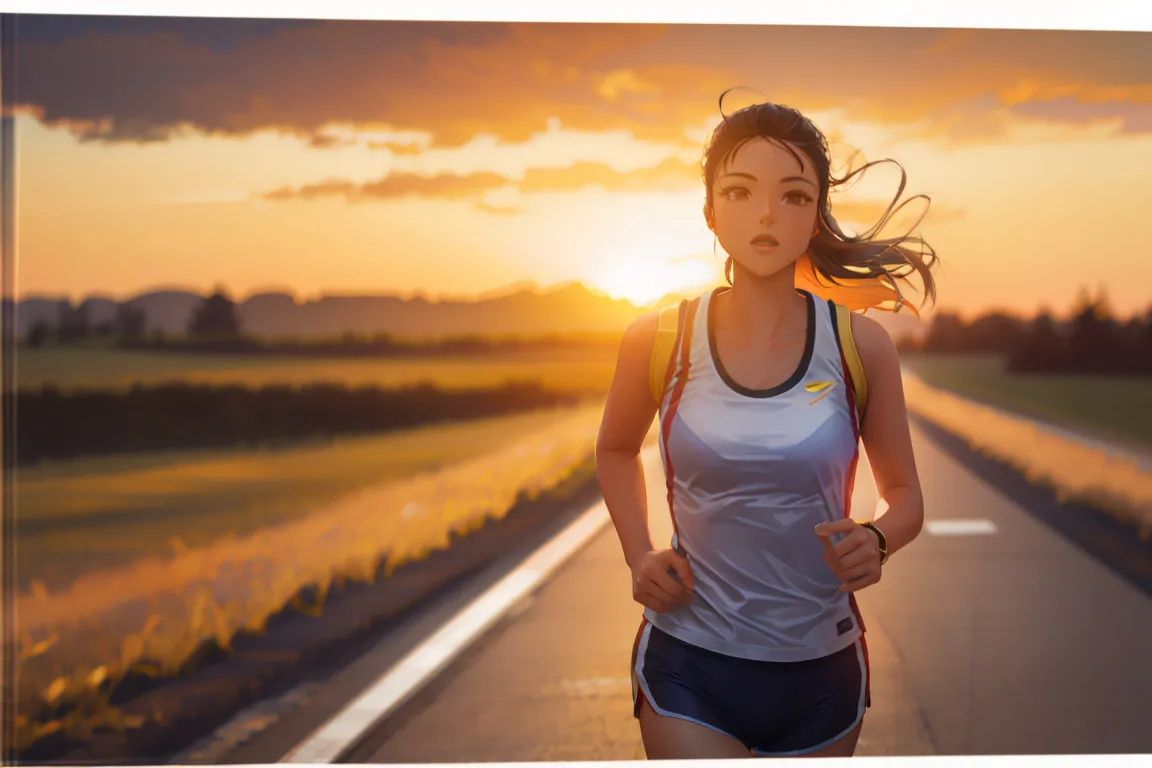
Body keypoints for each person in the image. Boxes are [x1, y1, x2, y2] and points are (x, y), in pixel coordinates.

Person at [594, 91, 938, 760]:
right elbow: (613, 449)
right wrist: (639, 553)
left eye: (793, 196)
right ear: (710, 213)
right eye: (741, 191)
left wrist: (880, 540)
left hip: (822, 671)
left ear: (815, 219)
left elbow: (908, 499)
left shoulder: (861, 348)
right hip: (689, 663)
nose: (765, 214)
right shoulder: (657, 339)